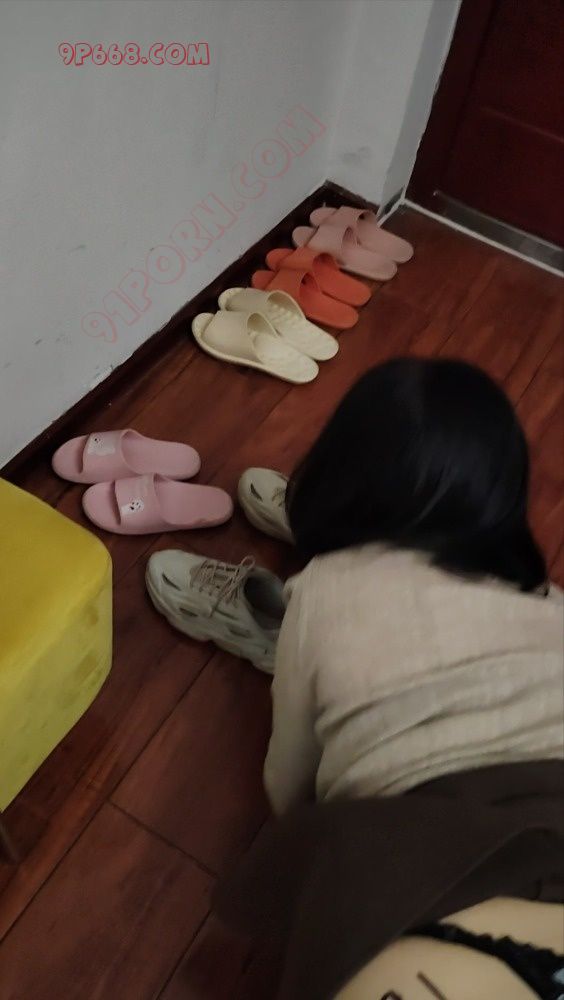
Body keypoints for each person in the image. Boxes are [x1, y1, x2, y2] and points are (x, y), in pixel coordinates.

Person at [258, 357, 563, 814]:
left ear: (335, 474)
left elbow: (287, 785)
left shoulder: (323, 588)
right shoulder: (549, 603)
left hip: (416, 831)